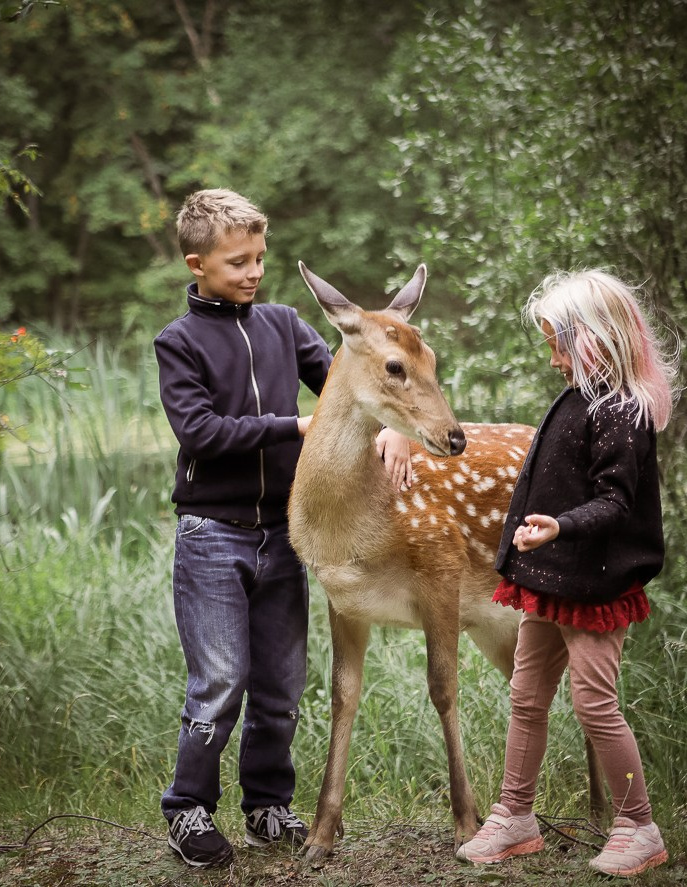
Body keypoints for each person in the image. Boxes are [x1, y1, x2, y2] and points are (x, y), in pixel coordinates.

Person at [153, 188, 411, 868]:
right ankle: (188, 809)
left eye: (260, 258)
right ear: (197, 263)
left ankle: (267, 805)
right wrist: (296, 425)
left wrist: (391, 430)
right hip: (213, 533)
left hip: (286, 533)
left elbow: (348, 388)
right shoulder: (177, 342)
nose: (253, 272)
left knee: (281, 683)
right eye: (237, 261)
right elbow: (200, 432)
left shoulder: (284, 324)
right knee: (220, 679)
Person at [456, 270, 678, 878]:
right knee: (527, 696)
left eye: (560, 344)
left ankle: (638, 825)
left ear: (595, 341)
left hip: (596, 584)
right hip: (553, 581)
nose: (553, 358)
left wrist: (559, 526)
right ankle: (515, 816)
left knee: (595, 705)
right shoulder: (581, 396)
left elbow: (616, 502)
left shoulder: (620, 411)